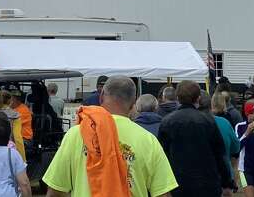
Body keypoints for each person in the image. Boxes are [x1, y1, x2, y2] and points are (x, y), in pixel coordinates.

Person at [43, 75, 178, 197]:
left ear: (101, 96)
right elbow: (163, 193)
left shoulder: (76, 134)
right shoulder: (148, 140)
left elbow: (56, 190)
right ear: (134, 103)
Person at [158, 80, 232, 197]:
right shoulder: (208, 121)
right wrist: (227, 182)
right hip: (206, 184)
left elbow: (162, 156)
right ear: (198, 98)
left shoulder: (167, 121)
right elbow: (220, 155)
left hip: (178, 184)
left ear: (177, 97)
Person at [210, 92, 240, 194]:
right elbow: (235, 145)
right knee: (234, 163)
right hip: (226, 158)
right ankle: (234, 183)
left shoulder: (205, 119)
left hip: (211, 167)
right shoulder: (227, 118)